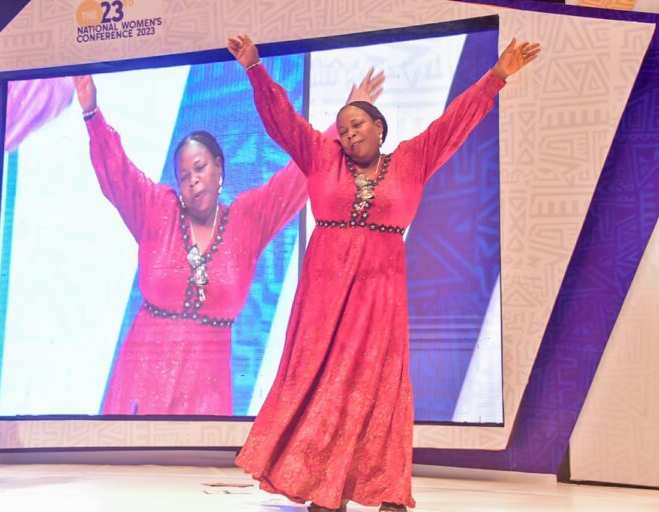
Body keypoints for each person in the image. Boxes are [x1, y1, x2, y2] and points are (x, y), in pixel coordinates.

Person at [227, 34, 540, 511]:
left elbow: (453, 123)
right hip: (325, 297)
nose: (349, 135)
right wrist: (254, 69)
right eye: (343, 129)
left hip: (380, 296)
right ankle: (322, 487)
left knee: (377, 386)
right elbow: (282, 119)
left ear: (379, 126)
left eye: (357, 125)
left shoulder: (412, 161)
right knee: (323, 382)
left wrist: (496, 76)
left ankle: (386, 488)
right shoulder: (321, 157)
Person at [72, 69, 384, 416]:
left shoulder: (247, 220)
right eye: (184, 175)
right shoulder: (157, 210)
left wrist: (343, 130)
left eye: (200, 168)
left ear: (219, 168)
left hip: (206, 389)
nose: (193, 180)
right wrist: (91, 113)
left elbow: (297, 178)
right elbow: (118, 174)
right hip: (141, 380)